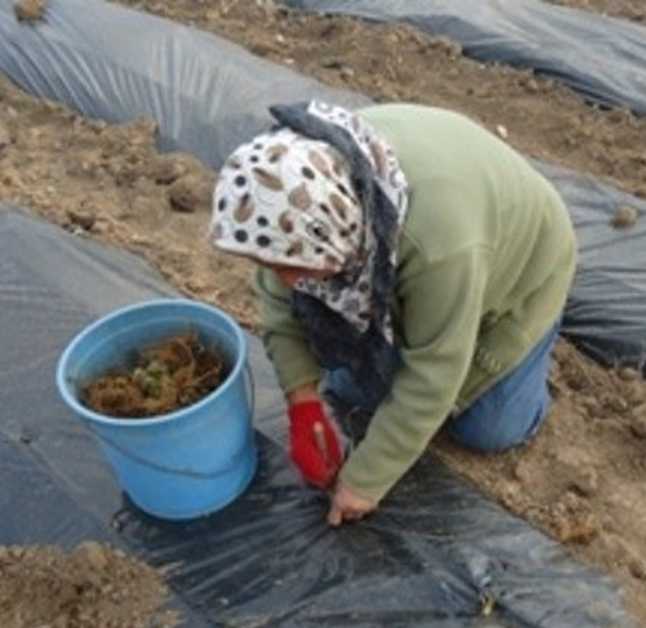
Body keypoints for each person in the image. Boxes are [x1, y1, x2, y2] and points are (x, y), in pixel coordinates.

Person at [209, 100, 577, 526]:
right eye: (274, 265)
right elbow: (279, 305)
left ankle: (529, 354)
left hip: (521, 276)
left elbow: (435, 371)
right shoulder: (293, 201)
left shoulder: (437, 246)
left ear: (338, 233)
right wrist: (302, 403)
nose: (287, 279)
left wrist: (365, 481)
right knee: (353, 391)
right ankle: (423, 321)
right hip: (442, 255)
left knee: (485, 430)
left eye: (293, 267)